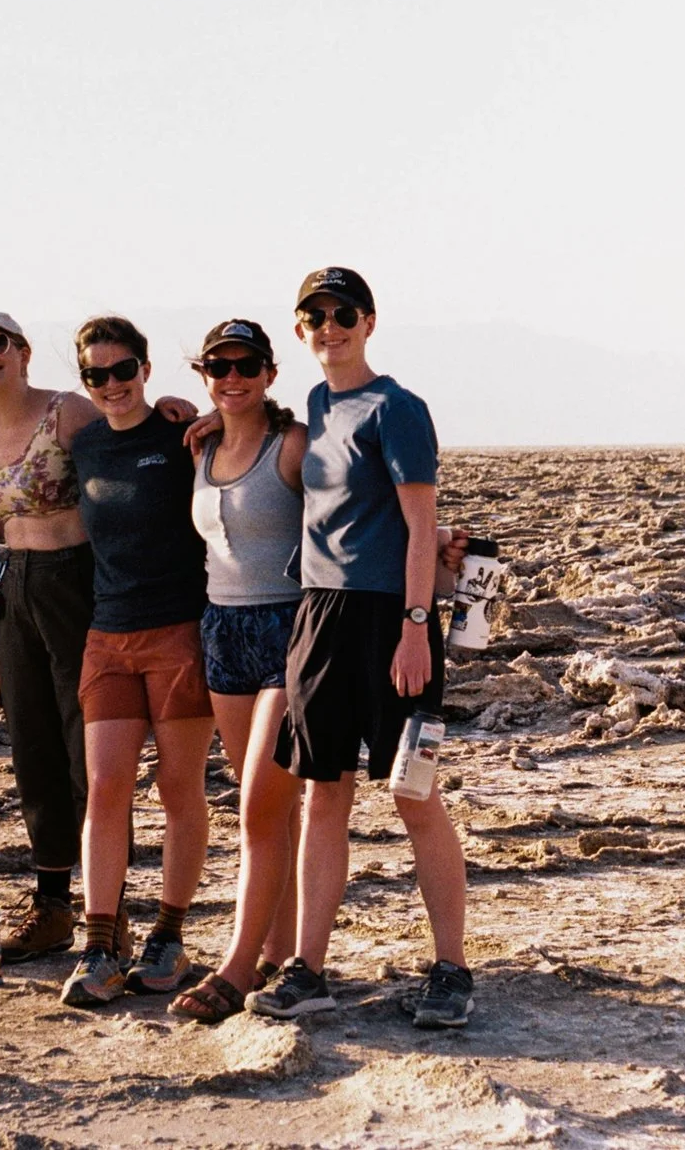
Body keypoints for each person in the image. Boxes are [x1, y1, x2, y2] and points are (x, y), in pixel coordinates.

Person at [245, 267, 476, 1030]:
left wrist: (416, 626)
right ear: (300, 325)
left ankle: (452, 970)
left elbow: (419, 528)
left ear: (369, 321)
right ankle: (308, 968)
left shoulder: (399, 409)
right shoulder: (316, 403)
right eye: (315, 315)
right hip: (319, 618)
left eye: (343, 313)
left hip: (389, 621)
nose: (329, 326)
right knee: (324, 792)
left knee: (415, 793)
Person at [0, 310, 199, 964]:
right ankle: (53, 903)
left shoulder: (69, 412)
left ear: (24, 350)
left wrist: (176, 411)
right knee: (32, 745)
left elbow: (133, 434)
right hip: (13, 584)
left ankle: (112, 913)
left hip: (76, 583)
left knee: (87, 750)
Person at [59, 316, 214, 1008]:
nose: (113, 385)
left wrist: (197, 411)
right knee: (106, 787)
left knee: (179, 789)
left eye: (124, 370)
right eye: (98, 375)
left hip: (178, 633)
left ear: (146, 369)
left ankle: (170, 934)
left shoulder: (179, 438)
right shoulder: (85, 443)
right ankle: (99, 944)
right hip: (107, 637)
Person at [165, 318, 307, 1021]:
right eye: (218, 365)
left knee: (259, 805)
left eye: (246, 363)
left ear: (269, 373)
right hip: (222, 630)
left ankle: (237, 964)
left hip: (287, 630)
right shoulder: (201, 443)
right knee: (273, 808)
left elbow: (355, 506)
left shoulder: (294, 445)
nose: (232, 376)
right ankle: (283, 957)